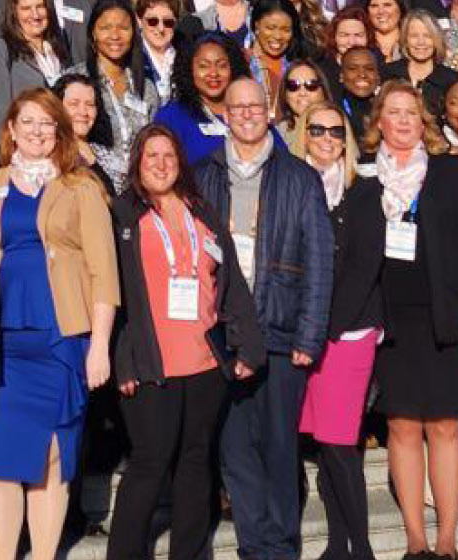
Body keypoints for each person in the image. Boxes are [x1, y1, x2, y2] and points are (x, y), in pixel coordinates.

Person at [0, 91, 120, 560]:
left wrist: (99, 346)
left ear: (61, 132)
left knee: (53, 455)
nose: (36, 132)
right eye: (27, 122)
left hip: (62, 337)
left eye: (46, 124)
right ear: (10, 128)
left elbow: (104, 271)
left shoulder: (83, 188)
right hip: (0, 340)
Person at [108, 123, 266, 560]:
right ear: (138, 163)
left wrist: (246, 346)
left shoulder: (203, 212)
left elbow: (231, 284)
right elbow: (113, 296)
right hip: (151, 365)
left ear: (181, 164)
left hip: (203, 363)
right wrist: (123, 360)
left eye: (169, 157)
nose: (160, 164)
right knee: (149, 464)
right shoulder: (123, 214)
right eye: (151, 156)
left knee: (196, 463)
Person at [192, 78, 331, 560]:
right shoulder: (203, 175)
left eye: (255, 105)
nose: (247, 113)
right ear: (224, 114)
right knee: (235, 453)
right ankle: (256, 547)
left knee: (278, 449)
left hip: (281, 329)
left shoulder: (298, 176)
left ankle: (282, 547)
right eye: (237, 107)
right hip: (226, 334)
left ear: (269, 110)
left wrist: (310, 336)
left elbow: (318, 261)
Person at [366, 82, 458, 560]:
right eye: (393, 112)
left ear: (422, 122)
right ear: (379, 120)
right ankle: (415, 539)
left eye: (411, 113)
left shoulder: (451, 172)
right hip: (391, 323)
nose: (403, 121)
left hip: (447, 318)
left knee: (444, 427)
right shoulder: (366, 177)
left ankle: (446, 539)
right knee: (402, 427)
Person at [295, 100, 380, 560]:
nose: (327, 139)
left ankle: (360, 547)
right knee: (325, 444)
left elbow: (366, 266)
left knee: (339, 442)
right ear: (303, 135)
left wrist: (324, 327)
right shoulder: (292, 184)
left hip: (348, 332)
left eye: (334, 131)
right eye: (317, 131)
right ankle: (335, 542)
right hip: (306, 332)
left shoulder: (364, 191)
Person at [84, 0, 154, 189]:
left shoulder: (146, 87)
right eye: (105, 28)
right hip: (92, 187)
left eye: (123, 28)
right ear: (93, 33)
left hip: (138, 191)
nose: (115, 35)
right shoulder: (76, 80)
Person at [150, 32, 246, 167]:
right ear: (189, 70)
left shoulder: (250, 111)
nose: (213, 73)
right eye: (204, 66)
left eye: (221, 65)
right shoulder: (171, 118)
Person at [0, 0, 77, 106]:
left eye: (40, 6)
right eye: (26, 8)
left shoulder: (59, 49)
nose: (35, 15)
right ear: (14, 13)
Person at [394, 11, 458, 109]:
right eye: (414, 36)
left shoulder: (452, 81)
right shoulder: (388, 74)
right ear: (405, 40)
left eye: (427, 36)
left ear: (436, 39)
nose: (421, 42)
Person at [134, 0, 188, 108]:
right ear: (139, 20)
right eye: (153, 21)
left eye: (168, 22)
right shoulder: (129, 57)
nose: (161, 28)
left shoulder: (186, 57)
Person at [246, 0, 304, 92]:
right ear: (257, 26)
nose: (278, 36)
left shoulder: (299, 67)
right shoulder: (242, 63)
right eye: (270, 28)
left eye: (286, 30)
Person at [277, 62, 334, 145]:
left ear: (323, 91)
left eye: (311, 85)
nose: (302, 93)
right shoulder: (275, 137)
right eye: (293, 86)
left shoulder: (339, 131)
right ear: (285, 94)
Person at [332, 45, 384, 132]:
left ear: (378, 77)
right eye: (353, 69)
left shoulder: (387, 110)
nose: (362, 74)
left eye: (369, 69)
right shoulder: (332, 110)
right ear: (341, 76)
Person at [360, 0, 407, 64]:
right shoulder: (360, 45)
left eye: (387, 5)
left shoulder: (413, 45)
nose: (381, 11)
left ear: (400, 8)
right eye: (374, 6)